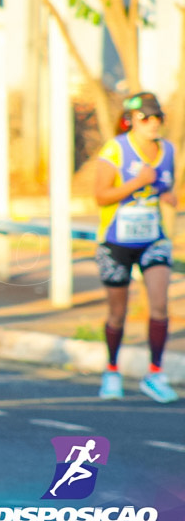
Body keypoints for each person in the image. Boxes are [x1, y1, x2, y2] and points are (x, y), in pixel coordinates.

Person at [94, 92, 178, 404]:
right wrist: (135, 182)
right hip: (116, 241)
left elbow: (167, 188)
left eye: (158, 117)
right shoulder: (115, 149)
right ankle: (112, 369)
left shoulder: (168, 150)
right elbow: (100, 196)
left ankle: (155, 373)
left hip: (153, 238)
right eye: (145, 117)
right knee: (118, 313)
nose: (153, 123)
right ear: (131, 120)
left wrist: (169, 197)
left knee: (159, 304)